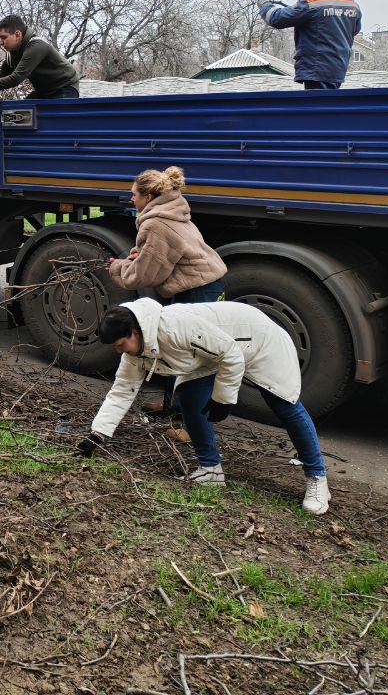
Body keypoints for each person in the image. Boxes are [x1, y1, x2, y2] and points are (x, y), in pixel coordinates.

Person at [78, 298, 330, 515]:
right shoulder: (136, 351)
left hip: (257, 339)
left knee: (285, 405)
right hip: (213, 353)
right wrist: (98, 434)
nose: (119, 351)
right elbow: (122, 391)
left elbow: (231, 354)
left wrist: (223, 400)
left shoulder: (176, 328)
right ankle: (211, 471)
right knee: (189, 396)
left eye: (121, 344)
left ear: (136, 331)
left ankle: (317, 478)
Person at [109, 165, 228, 435]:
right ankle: (173, 406)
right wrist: (137, 257)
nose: (131, 199)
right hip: (205, 286)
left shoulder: (157, 224)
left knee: (195, 361)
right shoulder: (174, 212)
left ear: (148, 197)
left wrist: (118, 268)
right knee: (177, 350)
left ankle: (191, 428)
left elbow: (145, 274)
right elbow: (160, 256)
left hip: (198, 292)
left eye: (134, 195)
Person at [258, 0, 362, 90]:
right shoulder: (353, 5)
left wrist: (265, 5)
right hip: (338, 69)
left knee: (318, 102)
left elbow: (276, 19)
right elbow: (355, 30)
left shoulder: (312, 3)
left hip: (316, 69)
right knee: (330, 101)